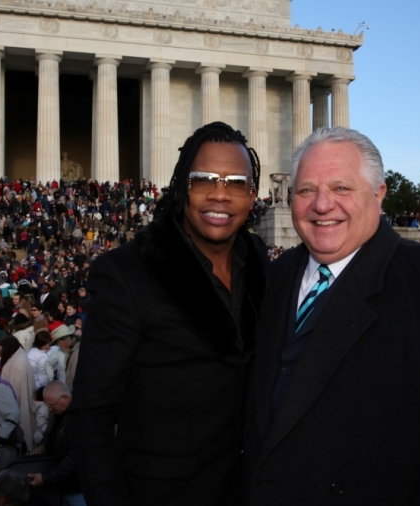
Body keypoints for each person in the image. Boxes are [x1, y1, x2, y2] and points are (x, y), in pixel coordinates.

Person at [243, 127, 420, 504]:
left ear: (378, 194)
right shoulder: (274, 277)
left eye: (342, 188)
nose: (322, 205)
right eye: (306, 190)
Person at [68, 122, 269, 505]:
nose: (220, 194)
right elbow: (90, 417)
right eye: (204, 179)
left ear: (252, 195)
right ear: (182, 187)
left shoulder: (258, 258)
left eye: (236, 183)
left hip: (247, 488)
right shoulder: (127, 272)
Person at [28, 381, 84, 506]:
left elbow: (74, 459)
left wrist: (46, 478)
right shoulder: (56, 411)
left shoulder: (79, 417)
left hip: (75, 488)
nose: (49, 409)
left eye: (52, 406)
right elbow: (49, 438)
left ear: (64, 398)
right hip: (59, 484)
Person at [0, 335, 37, 451]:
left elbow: (14, 392)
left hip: (19, 406)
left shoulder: (17, 364)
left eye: (1, 351)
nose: (0, 354)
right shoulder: (18, 358)